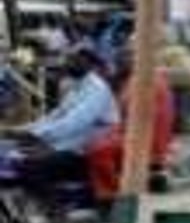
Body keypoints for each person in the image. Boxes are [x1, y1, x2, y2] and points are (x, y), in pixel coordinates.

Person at [19, 45, 119, 205]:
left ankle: (54, 212)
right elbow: (57, 115)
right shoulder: (76, 88)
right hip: (71, 146)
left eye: (74, 60)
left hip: (86, 152)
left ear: (88, 63)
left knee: (32, 167)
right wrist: (27, 130)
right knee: (17, 156)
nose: (68, 63)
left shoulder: (97, 89)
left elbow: (75, 122)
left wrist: (40, 136)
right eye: (68, 59)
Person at [86, 47, 175, 200]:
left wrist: (112, 131)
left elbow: (136, 118)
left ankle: (113, 192)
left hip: (145, 139)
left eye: (122, 61)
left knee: (97, 150)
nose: (118, 65)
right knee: (99, 139)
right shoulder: (141, 80)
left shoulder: (141, 82)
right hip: (146, 136)